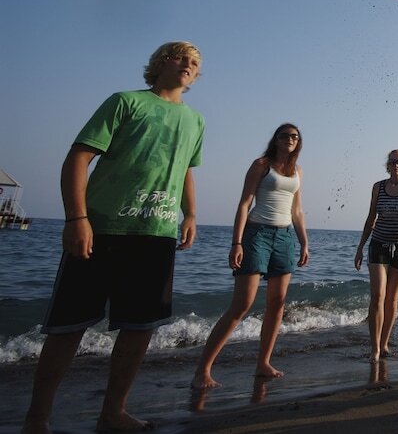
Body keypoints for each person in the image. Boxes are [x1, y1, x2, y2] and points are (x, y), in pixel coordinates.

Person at [23, 41, 204, 434]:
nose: (189, 64)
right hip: (102, 228)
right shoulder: (126, 102)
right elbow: (79, 157)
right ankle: (37, 418)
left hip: (156, 234)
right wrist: (76, 218)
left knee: (140, 328)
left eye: (195, 62)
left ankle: (113, 412)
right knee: (68, 326)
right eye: (181, 56)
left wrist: (190, 213)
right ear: (161, 62)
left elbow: (186, 169)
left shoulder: (196, 121)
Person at [191, 123, 310, 389]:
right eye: (285, 135)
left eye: (294, 136)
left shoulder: (297, 171)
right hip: (257, 234)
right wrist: (236, 243)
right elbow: (245, 203)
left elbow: (297, 210)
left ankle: (263, 364)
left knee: (277, 303)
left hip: (285, 237)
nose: (290, 139)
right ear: (276, 139)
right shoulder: (261, 165)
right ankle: (203, 370)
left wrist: (304, 242)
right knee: (242, 304)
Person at [354, 149, 398, 362]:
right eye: (392, 162)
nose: (395, 165)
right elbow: (370, 218)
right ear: (387, 165)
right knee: (378, 296)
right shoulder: (378, 187)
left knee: (392, 299)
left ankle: (384, 343)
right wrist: (360, 247)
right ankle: (374, 348)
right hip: (378, 244)